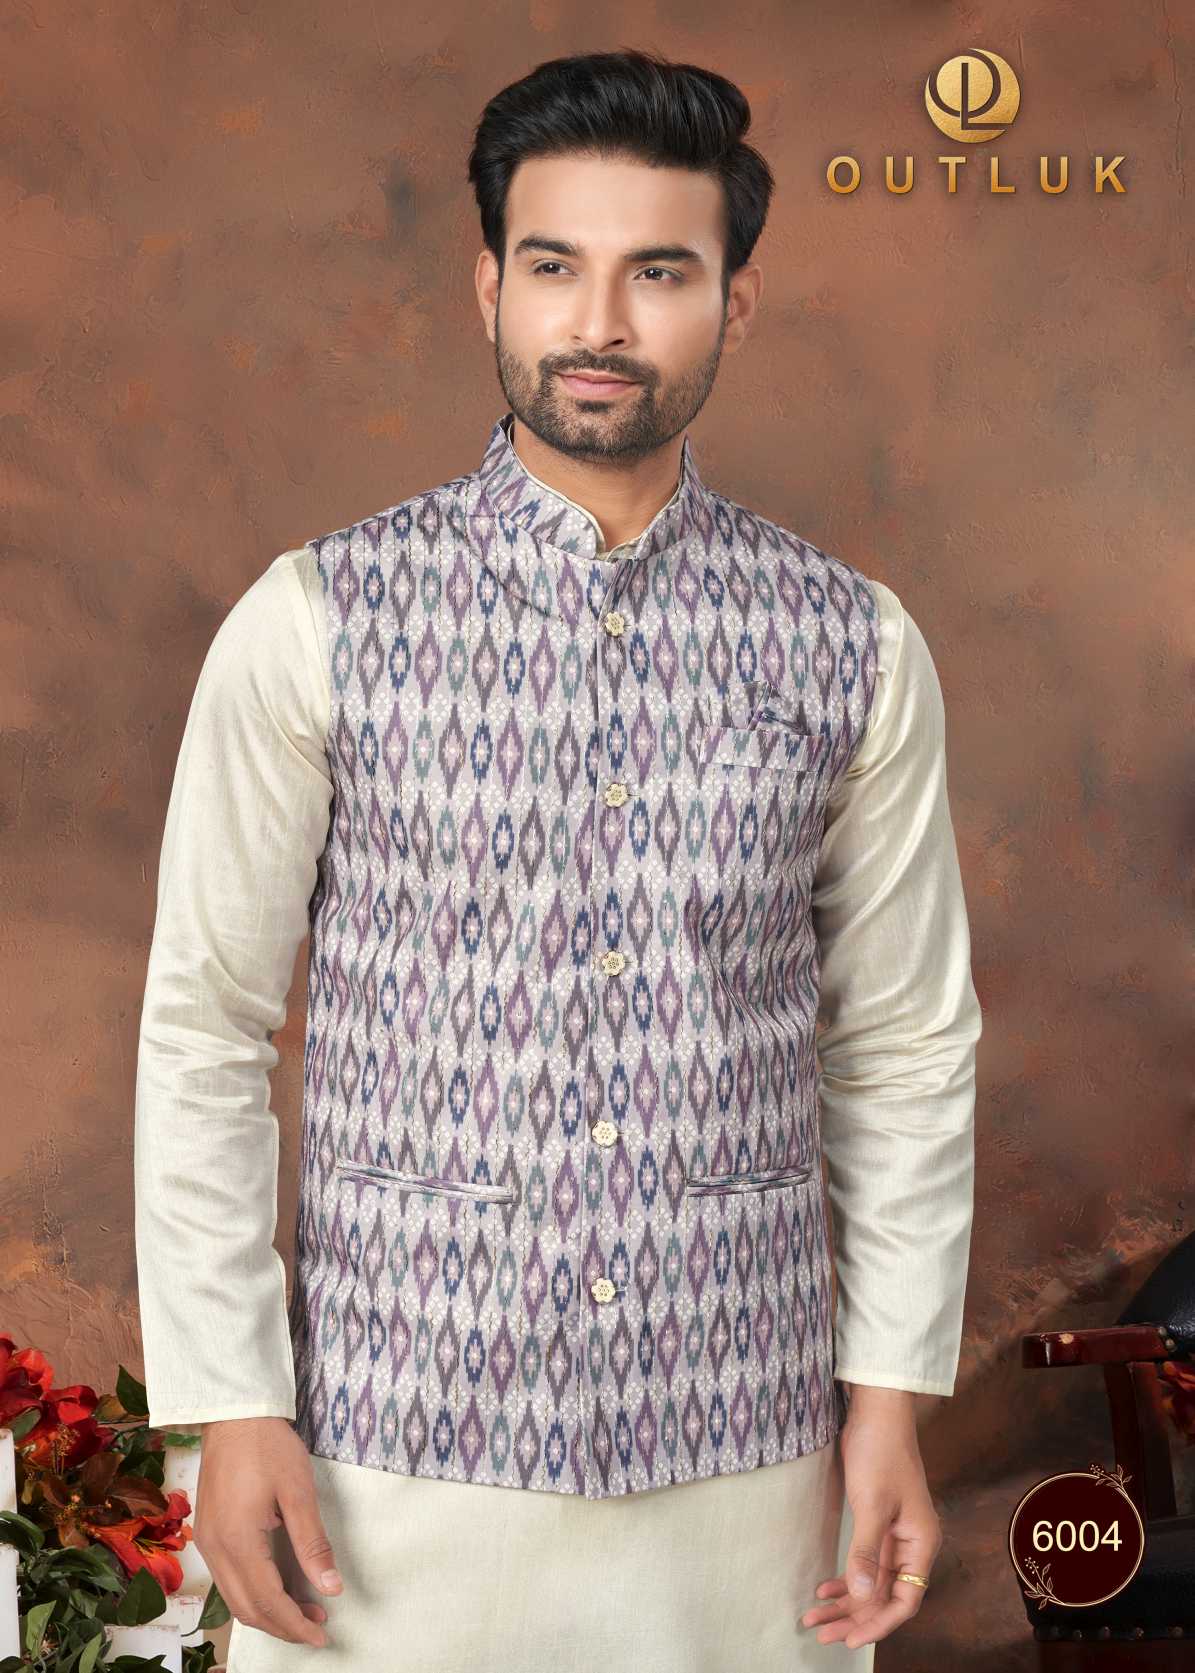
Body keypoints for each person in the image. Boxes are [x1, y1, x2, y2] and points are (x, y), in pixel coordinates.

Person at [133, 46, 982, 1672]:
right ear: (488, 288)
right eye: (553, 266)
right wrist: (231, 1402)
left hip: (745, 1452)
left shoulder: (850, 642)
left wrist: (888, 1400)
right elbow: (205, 1025)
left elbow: (905, 1041)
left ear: (733, 304)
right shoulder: (317, 619)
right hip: (387, 1443)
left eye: (658, 271)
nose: (599, 322)